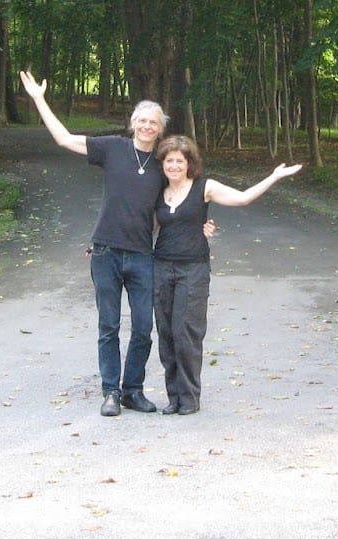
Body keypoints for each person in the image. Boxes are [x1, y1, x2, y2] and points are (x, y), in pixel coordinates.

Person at [19, 68, 166, 417]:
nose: (147, 126)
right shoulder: (113, 148)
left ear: (161, 129)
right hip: (106, 252)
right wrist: (39, 99)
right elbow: (65, 139)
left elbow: (180, 202)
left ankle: (133, 390)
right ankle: (111, 392)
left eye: (153, 122)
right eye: (142, 120)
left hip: (143, 255)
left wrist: (201, 224)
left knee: (144, 327)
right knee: (109, 326)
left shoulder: (163, 164)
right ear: (133, 122)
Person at [152, 134, 301, 415]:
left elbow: (243, 198)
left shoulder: (203, 187)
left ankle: (190, 397)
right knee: (166, 334)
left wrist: (274, 177)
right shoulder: (158, 190)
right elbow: (145, 226)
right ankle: (174, 396)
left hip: (193, 269)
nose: (173, 166)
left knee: (187, 334)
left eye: (179, 161)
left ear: (189, 163)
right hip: (161, 267)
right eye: (169, 161)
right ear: (162, 164)